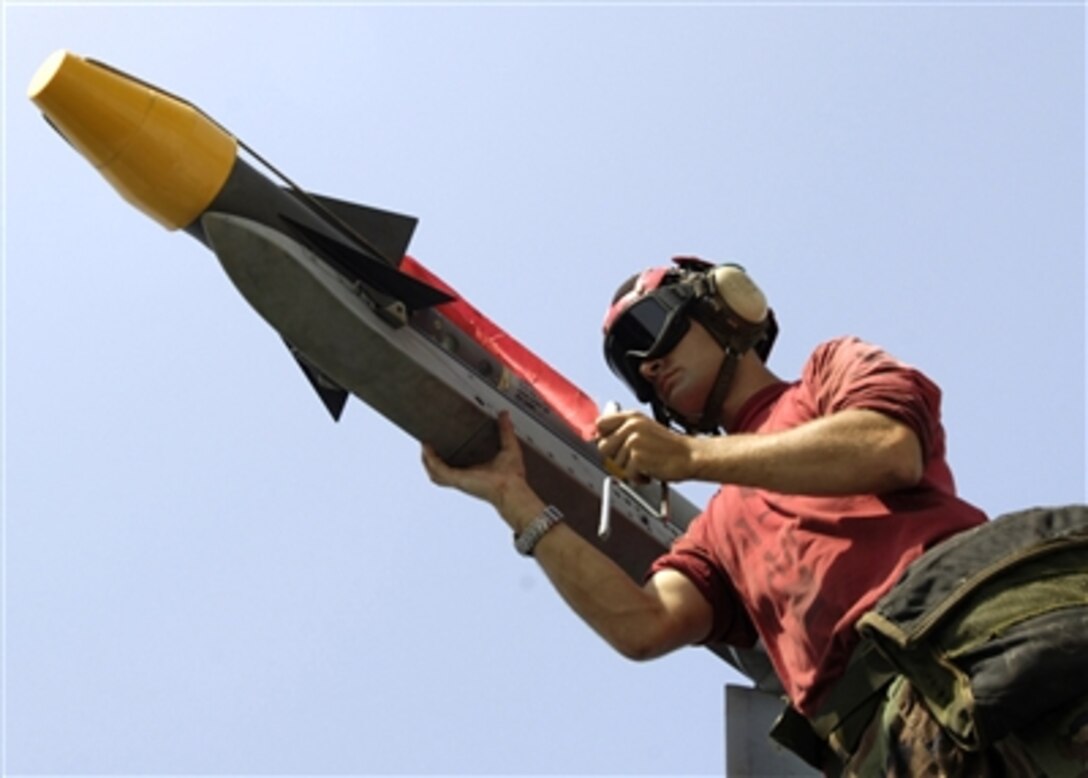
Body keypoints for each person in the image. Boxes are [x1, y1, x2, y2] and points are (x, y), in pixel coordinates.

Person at [421, 257, 1088, 776]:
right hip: (889, 741)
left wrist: (689, 456)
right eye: (632, 369)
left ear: (730, 308)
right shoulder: (716, 528)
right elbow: (643, 625)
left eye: (650, 331)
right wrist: (515, 499)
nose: (649, 367)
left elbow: (887, 449)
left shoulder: (829, 372)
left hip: (983, 642)